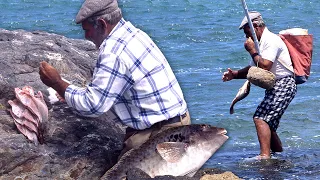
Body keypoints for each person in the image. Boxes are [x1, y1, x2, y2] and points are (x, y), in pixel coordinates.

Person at [39, 0, 190, 158]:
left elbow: (93, 105)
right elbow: (111, 87)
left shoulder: (114, 53)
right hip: (176, 122)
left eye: (88, 30)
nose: (86, 36)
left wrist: (57, 83)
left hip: (162, 132)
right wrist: (71, 92)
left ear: (102, 24)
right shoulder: (132, 33)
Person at [222, 11, 297, 159]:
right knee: (269, 124)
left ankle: (264, 156)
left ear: (255, 26)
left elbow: (264, 67)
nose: (246, 36)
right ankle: (277, 154)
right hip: (276, 86)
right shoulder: (261, 43)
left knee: (260, 118)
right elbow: (253, 69)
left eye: (247, 32)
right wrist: (235, 74)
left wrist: (252, 51)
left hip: (284, 84)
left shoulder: (271, 40)